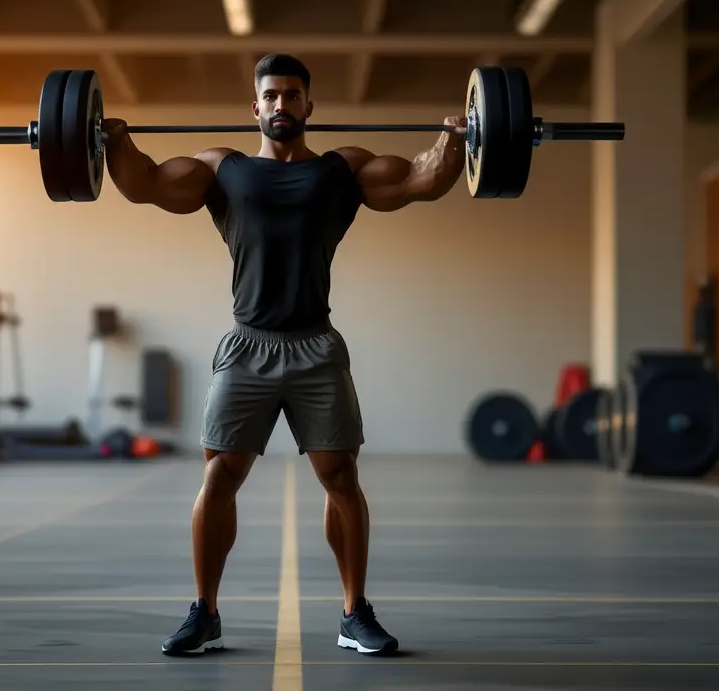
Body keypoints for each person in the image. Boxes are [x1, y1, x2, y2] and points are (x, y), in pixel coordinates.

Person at [100, 53, 466, 657]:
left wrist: (456, 140)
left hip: (315, 347)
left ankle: (355, 614)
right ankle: (204, 613)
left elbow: (422, 179)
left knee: (341, 478)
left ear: (308, 106)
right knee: (220, 477)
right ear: (255, 107)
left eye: (291, 96)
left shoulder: (341, 170)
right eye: (270, 96)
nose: (280, 105)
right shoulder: (225, 169)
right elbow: (147, 185)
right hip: (247, 346)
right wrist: (113, 143)